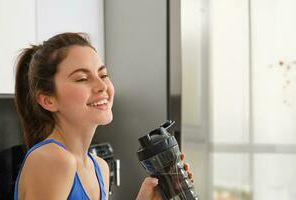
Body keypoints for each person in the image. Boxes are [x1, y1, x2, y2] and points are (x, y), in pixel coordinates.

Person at [13, 32, 193, 200]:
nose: (102, 86)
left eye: (103, 75)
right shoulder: (52, 160)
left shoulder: (100, 167)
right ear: (48, 100)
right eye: (82, 78)